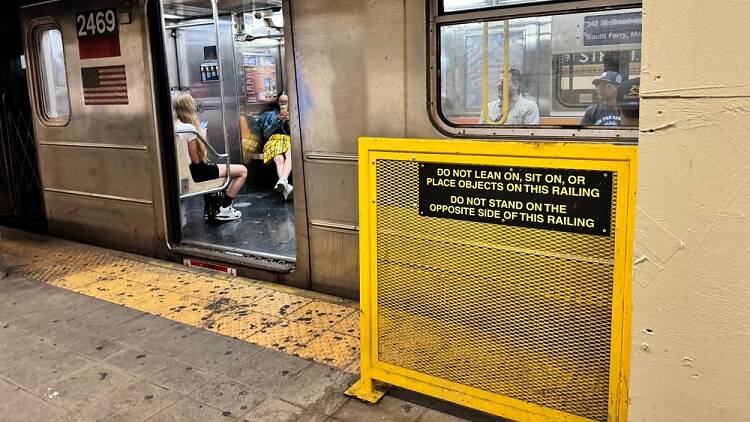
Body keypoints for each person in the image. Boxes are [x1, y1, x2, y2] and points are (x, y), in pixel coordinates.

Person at [173, 92, 247, 221]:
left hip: (182, 173)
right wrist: (201, 136)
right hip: (196, 172)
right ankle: (225, 207)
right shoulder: (189, 129)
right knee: (242, 171)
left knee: (212, 167)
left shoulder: (173, 127)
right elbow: (196, 160)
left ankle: (211, 208)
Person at [256, 94, 293, 201]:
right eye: (281, 102)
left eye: (286, 102)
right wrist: (277, 121)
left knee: (290, 154)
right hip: (274, 140)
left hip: (288, 140)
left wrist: (290, 121)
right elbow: (266, 133)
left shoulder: (294, 115)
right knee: (279, 159)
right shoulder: (271, 115)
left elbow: (297, 132)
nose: (284, 104)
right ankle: (285, 185)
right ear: (278, 103)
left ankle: (283, 181)